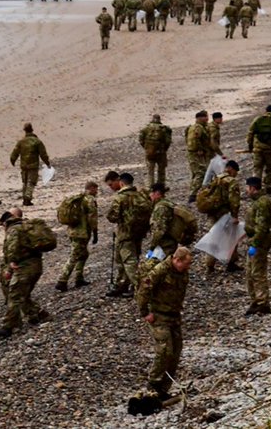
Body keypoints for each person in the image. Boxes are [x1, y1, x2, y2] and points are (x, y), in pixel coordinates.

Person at [138, 247, 192, 398]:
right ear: (176, 260)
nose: (188, 267)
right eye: (186, 264)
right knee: (164, 350)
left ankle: (164, 388)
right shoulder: (160, 271)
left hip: (174, 315)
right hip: (159, 316)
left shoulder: (183, 272)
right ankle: (153, 385)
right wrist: (145, 312)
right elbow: (144, 288)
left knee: (176, 351)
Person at [0, 209, 51, 338]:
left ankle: (8, 327)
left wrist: (11, 263)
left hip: (24, 266)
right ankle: (37, 314)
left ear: (5, 223)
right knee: (22, 293)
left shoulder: (13, 229)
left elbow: (12, 247)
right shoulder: (25, 226)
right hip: (35, 264)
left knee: (14, 294)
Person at [105, 172, 153, 298]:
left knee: (128, 261)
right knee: (126, 259)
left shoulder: (120, 198)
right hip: (139, 232)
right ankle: (122, 285)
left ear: (121, 182)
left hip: (125, 234)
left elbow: (112, 217)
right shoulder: (140, 195)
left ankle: (139, 286)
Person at [56, 181, 99, 291]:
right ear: (91, 188)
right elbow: (92, 218)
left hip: (72, 231)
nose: (97, 192)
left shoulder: (78, 199)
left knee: (83, 254)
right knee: (74, 255)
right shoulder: (89, 200)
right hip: (82, 233)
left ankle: (79, 277)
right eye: (96, 189)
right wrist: (95, 232)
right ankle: (62, 280)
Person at [200, 160, 241, 273]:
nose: (235, 174)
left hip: (212, 213)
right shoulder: (231, 181)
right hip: (224, 215)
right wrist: (235, 216)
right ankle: (231, 263)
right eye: (236, 171)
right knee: (232, 238)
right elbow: (234, 201)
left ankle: (209, 266)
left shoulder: (216, 178)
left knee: (213, 239)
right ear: (231, 169)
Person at [242, 177, 271, 315]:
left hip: (259, 242)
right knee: (250, 273)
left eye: (247, 188)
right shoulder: (257, 202)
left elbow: (262, 227)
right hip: (253, 241)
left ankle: (263, 302)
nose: (246, 191)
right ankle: (255, 300)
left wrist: (255, 243)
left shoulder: (262, 203)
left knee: (257, 273)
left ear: (253, 188)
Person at [10, 123, 51, 207]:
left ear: (25, 131)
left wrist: (13, 160)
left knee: (25, 182)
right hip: (33, 165)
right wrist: (47, 163)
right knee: (31, 182)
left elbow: (15, 153)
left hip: (24, 165)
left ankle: (25, 198)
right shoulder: (37, 141)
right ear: (32, 129)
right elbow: (43, 154)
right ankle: (27, 199)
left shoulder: (21, 142)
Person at [247, 105, 271, 193]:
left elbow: (250, 133)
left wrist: (250, 145)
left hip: (258, 148)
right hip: (270, 149)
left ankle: (255, 187)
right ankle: (269, 186)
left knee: (257, 168)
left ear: (266, 111)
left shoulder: (258, 119)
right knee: (270, 168)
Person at [185, 111, 215, 203]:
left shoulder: (192, 127)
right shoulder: (198, 128)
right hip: (197, 154)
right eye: (205, 117)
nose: (207, 119)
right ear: (200, 118)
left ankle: (194, 192)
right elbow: (196, 140)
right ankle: (192, 195)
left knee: (196, 173)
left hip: (194, 153)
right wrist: (200, 149)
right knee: (200, 173)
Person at [138, 114, 172, 189]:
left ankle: (150, 186)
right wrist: (165, 149)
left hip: (150, 152)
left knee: (150, 171)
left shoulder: (146, 128)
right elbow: (168, 141)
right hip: (161, 153)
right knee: (161, 171)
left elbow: (141, 140)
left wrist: (147, 148)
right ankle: (161, 186)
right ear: (159, 119)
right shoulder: (164, 129)